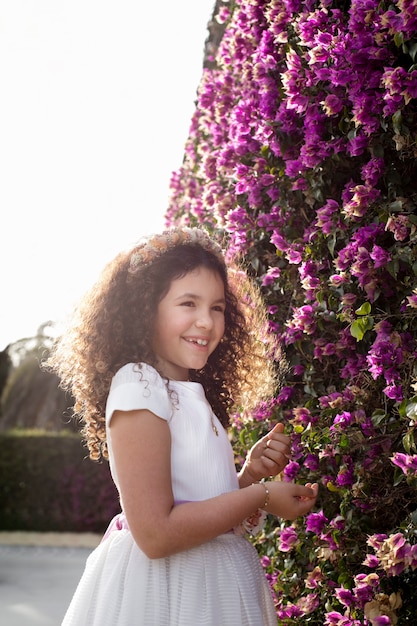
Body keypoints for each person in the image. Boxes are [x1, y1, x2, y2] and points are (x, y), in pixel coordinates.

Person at [46, 226, 318, 625]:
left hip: (212, 584)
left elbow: (197, 503)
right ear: (145, 310)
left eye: (217, 308)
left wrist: (247, 476)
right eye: (188, 303)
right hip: (167, 592)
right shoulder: (139, 385)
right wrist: (260, 495)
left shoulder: (189, 392)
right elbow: (156, 534)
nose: (206, 322)